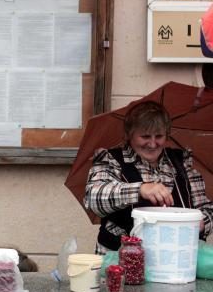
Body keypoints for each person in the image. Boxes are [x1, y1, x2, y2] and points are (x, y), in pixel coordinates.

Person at [84, 100, 213, 254]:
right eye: (145, 136)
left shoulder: (181, 163)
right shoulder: (111, 159)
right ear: (129, 135)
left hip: (174, 262)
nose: (152, 144)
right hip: (121, 263)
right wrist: (140, 189)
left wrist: (202, 222)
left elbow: (207, 210)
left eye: (159, 136)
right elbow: (93, 198)